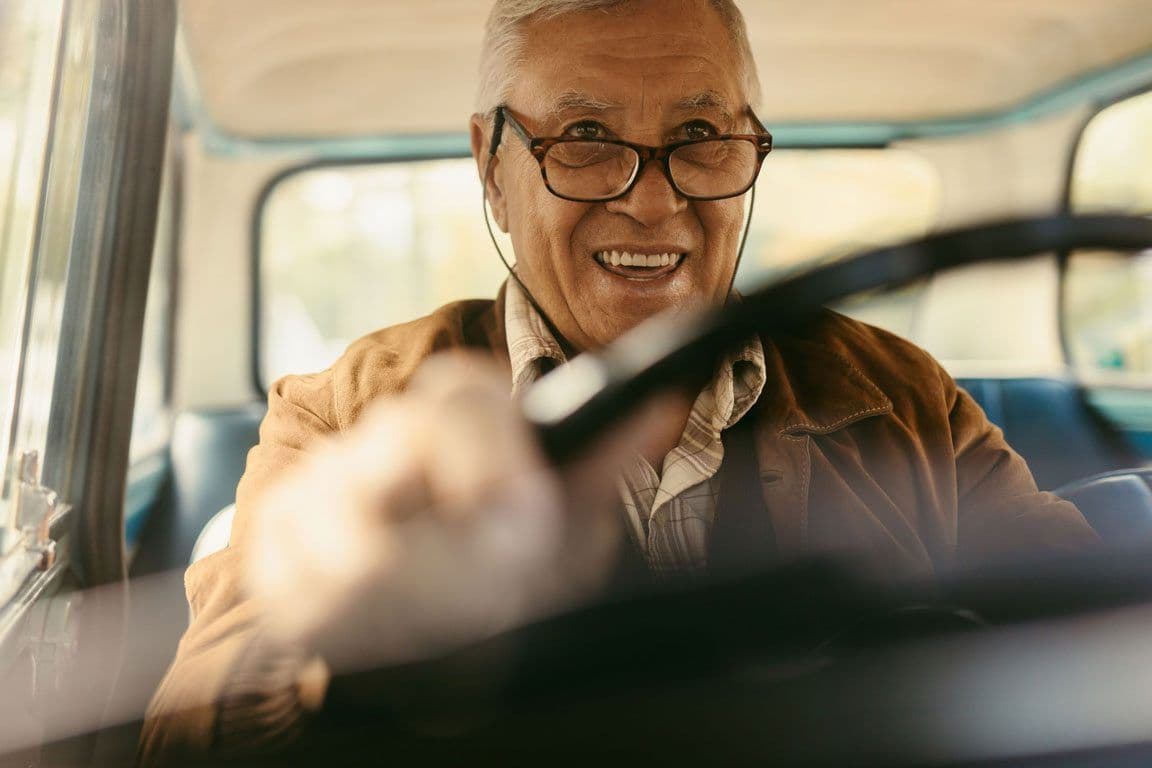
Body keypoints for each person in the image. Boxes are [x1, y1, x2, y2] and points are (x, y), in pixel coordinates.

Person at [139, 0, 1097, 762]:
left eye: (700, 134)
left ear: (750, 150)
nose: (652, 197)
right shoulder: (344, 415)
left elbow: (1093, 632)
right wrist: (337, 651)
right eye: (585, 135)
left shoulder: (902, 391)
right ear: (492, 167)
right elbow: (185, 737)